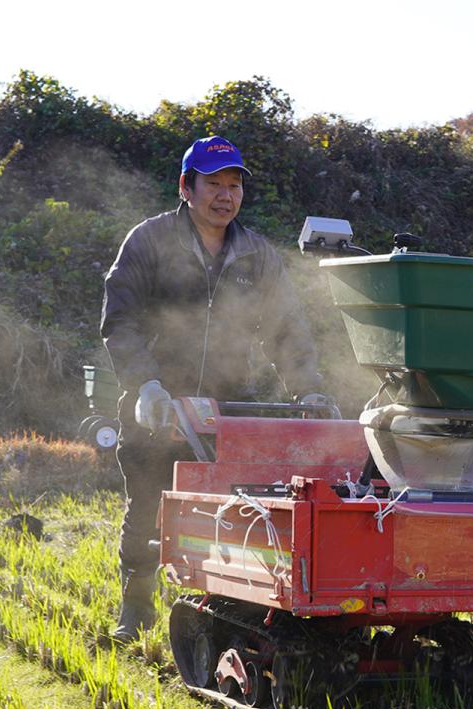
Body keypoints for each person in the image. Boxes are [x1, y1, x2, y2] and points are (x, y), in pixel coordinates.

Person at [100, 136, 324, 643]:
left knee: (232, 516)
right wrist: (145, 385)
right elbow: (121, 321)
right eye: (214, 183)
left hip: (228, 407)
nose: (225, 195)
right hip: (158, 403)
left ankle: (220, 614)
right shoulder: (150, 241)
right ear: (186, 186)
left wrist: (308, 390)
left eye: (234, 185)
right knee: (148, 510)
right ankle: (136, 609)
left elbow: (287, 330)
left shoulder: (256, 254)